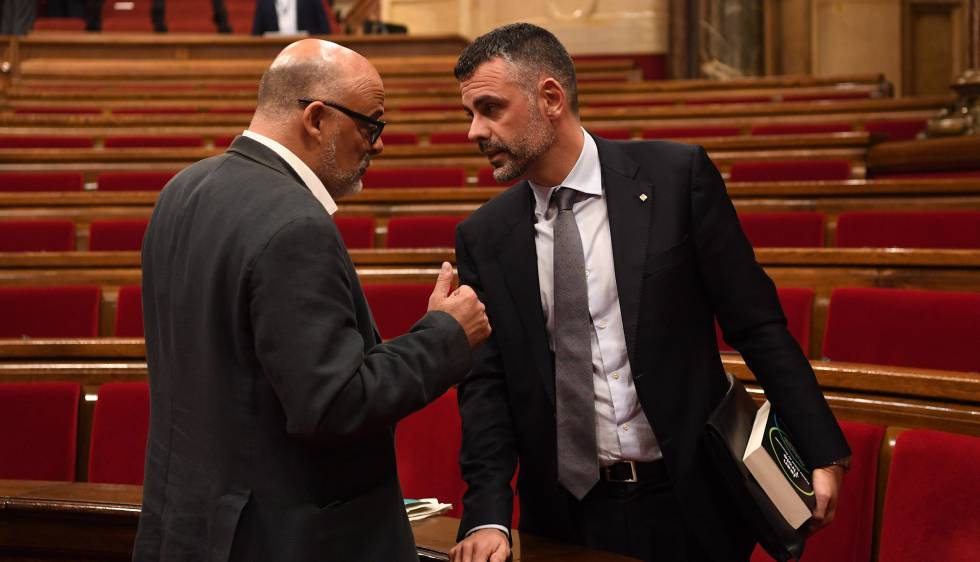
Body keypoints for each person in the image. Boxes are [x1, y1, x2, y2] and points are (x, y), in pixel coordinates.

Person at [448, 23, 851, 562]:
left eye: (490, 109)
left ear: (550, 98)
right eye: (469, 114)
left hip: (691, 502)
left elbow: (756, 324)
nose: (475, 130)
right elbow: (487, 390)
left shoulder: (676, 179)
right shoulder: (484, 236)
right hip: (565, 515)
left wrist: (820, 447)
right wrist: (488, 515)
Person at [134, 38, 490, 561]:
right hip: (279, 538)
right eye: (372, 124)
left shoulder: (183, 189)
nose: (379, 144)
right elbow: (333, 405)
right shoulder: (295, 223)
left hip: (190, 527)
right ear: (318, 119)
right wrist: (445, 335)